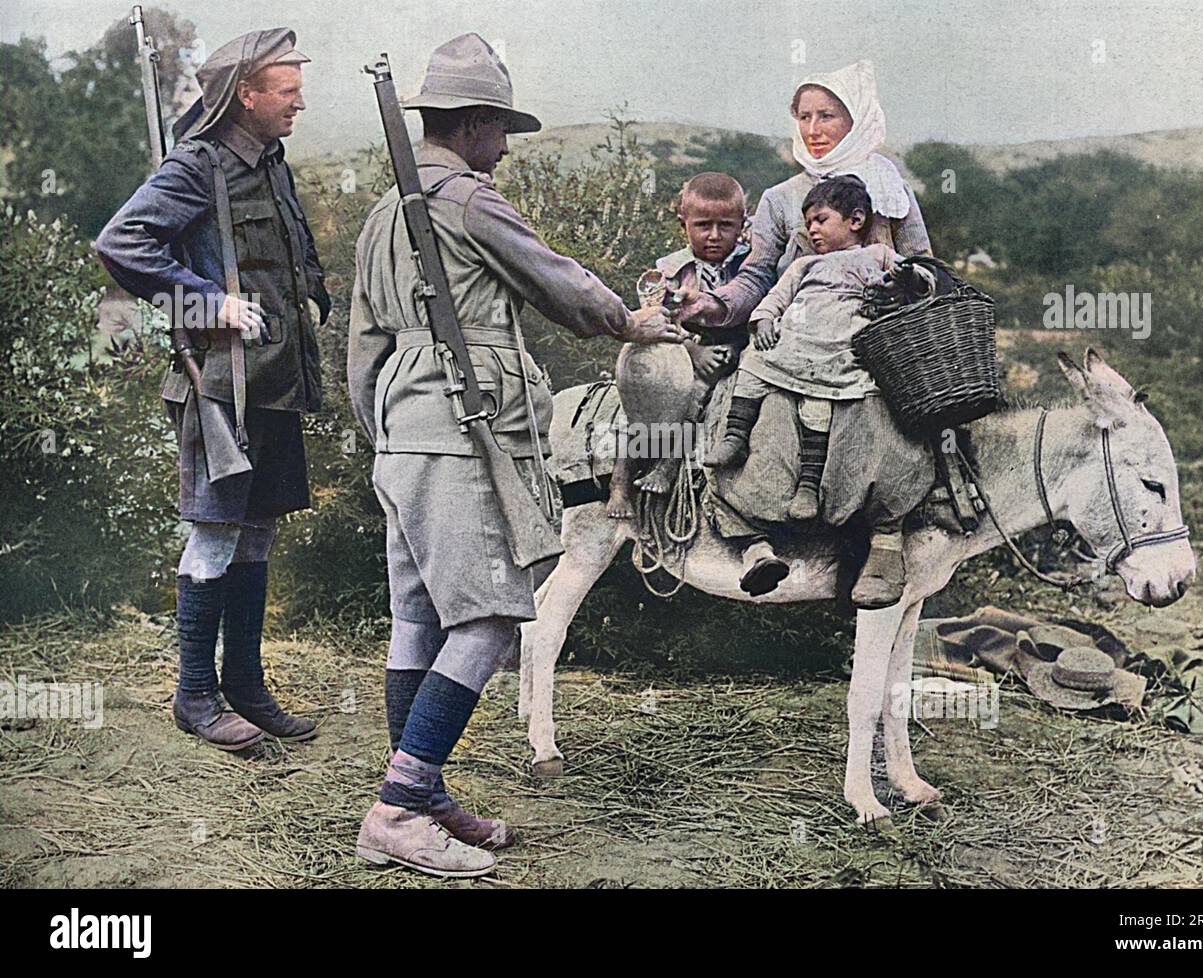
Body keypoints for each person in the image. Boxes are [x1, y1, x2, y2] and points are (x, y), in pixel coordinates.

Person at [348, 33, 682, 878]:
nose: (503, 149)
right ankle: (395, 808)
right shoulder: (467, 199)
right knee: (492, 618)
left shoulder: (387, 211)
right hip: (464, 423)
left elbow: (361, 346)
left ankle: (421, 795)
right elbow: (557, 281)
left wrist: (386, 428)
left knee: (419, 617)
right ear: (472, 126)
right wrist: (629, 322)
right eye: (500, 129)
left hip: (401, 424)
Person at [96, 29, 328, 751]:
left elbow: (291, 253)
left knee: (257, 533)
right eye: (286, 92)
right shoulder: (196, 165)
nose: (299, 103)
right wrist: (204, 300)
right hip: (217, 385)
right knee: (215, 533)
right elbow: (122, 241)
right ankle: (194, 695)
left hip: (272, 381)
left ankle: (245, 685)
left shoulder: (272, 160)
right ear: (246, 95)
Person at [670, 59, 932, 599]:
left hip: (875, 340)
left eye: (828, 116)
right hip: (797, 336)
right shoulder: (781, 198)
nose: (813, 130)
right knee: (760, 413)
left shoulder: (888, 187)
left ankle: (886, 539)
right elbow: (758, 277)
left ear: (856, 119)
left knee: (887, 415)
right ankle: (766, 535)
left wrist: (905, 289)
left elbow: (925, 265)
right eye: (804, 116)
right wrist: (713, 308)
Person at [606, 171, 750, 517]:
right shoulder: (670, 271)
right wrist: (691, 349)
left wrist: (734, 349)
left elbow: (755, 307)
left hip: (732, 352)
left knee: (699, 396)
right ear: (683, 222)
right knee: (648, 396)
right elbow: (656, 318)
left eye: (726, 226)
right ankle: (621, 481)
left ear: (743, 224)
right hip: (680, 350)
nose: (714, 236)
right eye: (703, 225)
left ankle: (669, 466)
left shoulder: (749, 266)